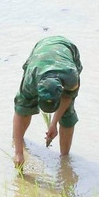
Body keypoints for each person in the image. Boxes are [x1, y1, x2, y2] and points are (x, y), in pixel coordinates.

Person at [12, 35, 82, 167]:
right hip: (41, 51)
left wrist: (53, 124)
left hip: (68, 49)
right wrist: (18, 152)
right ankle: (17, 142)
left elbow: (67, 97)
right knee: (25, 107)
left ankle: (64, 158)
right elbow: (20, 110)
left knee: (67, 113)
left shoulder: (71, 77)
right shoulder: (31, 80)